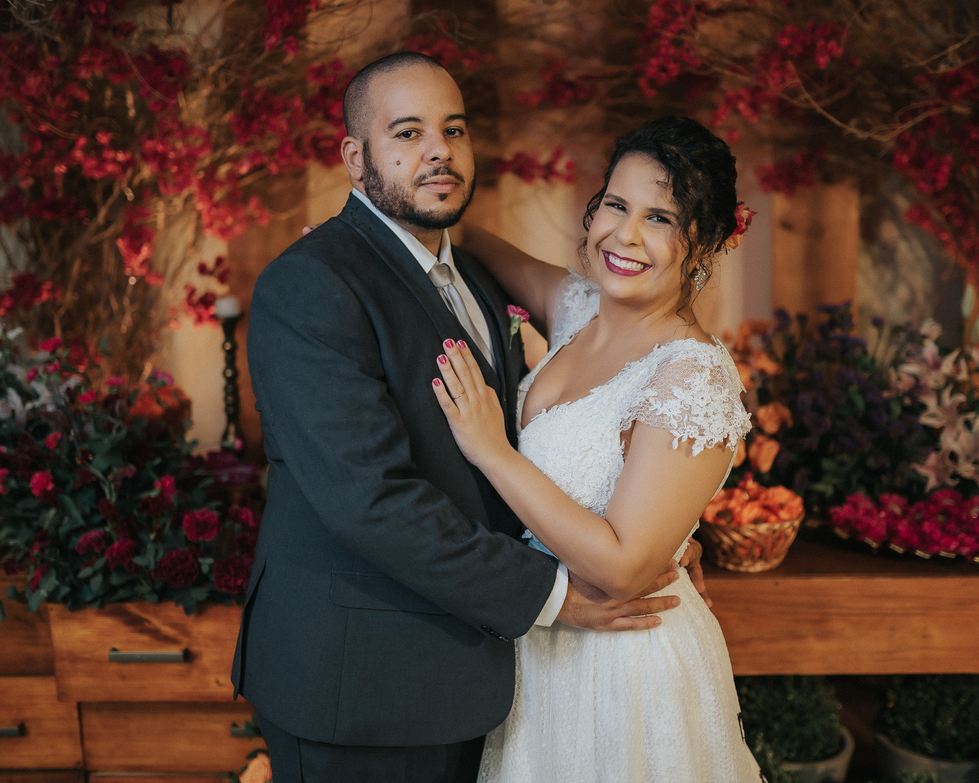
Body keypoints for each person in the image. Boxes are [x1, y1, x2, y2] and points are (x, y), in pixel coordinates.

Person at [231, 52, 706, 783]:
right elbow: (370, 499)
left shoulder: (474, 274)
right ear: (356, 158)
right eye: (408, 133)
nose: (437, 152)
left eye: (452, 130)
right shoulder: (312, 286)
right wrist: (556, 596)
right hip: (363, 687)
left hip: (482, 677)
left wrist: (651, 527)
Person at [430, 116, 763, 782]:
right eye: (616, 204)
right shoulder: (578, 307)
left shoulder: (692, 374)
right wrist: (356, 251)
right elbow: (459, 236)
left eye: (661, 217)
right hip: (541, 642)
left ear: (702, 242)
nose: (626, 235)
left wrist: (491, 449)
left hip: (625, 664)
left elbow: (623, 568)